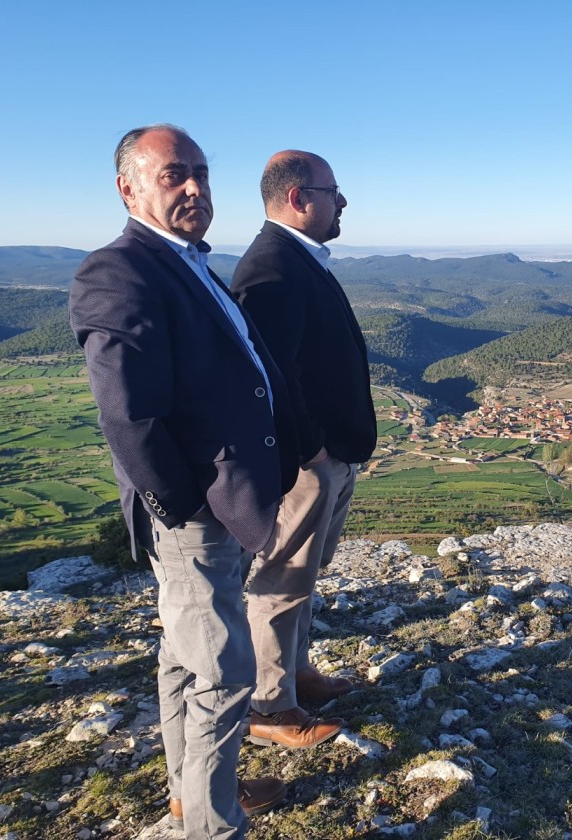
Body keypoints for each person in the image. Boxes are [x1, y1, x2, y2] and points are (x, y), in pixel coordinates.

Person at [69, 125, 339, 837]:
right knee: (223, 674)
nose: (194, 187)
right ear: (128, 188)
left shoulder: (187, 264)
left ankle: (195, 797)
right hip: (195, 513)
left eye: (201, 172)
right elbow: (128, 415)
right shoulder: (118, 270)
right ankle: (214, 827)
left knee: (185, 663)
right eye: (172, 175)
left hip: (219, 505)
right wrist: (184, 509)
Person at [230, 151, 377, 747]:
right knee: (283, 579)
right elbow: (270, 376)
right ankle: (270, 707)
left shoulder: (297, 260)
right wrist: (312, 453)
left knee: (307, 573)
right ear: (298, 198)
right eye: (333, 190)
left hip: (329, 458)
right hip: (306, 464)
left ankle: (297, 673)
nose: (342, 201)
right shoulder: (272, 269)